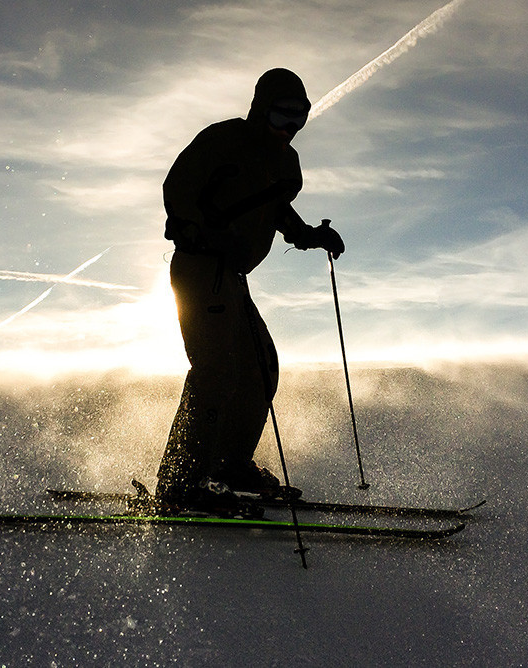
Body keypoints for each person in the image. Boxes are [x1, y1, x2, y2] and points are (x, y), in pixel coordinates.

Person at [155, 68, 345, 510]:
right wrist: (203, 232)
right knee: (216, 370)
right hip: (202, 268)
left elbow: (277, 210)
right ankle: (181, 480)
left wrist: (311, 235)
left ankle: (227, 464)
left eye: (299, 119)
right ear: (261, 108)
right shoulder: (222, 141)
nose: (289, 127)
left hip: (233, 279)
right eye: (282, 115)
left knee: (260, 366)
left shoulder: (284, 162)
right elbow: (177, 190)